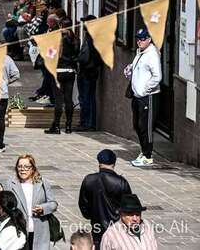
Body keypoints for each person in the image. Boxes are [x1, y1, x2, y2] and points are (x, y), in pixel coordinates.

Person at [78, 149, 133, 247]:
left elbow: (83, 205)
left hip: (97, 228)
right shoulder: (121, 182)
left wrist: (92, 215)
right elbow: (129, 207)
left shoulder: (89, 180)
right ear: (114, 164)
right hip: (118, 229)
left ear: (99, 163)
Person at [4, 154, 58, 249]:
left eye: (26, 167)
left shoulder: (42, 183)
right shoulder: (10, 184)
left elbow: (53, 204)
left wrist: (43, 208)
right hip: (19, 230)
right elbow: (5, 205)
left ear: (32, 168)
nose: (22, 169)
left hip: (39, 230)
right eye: (20, 166)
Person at [125, 28, 161, 167]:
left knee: (145, 126)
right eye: (138, 39)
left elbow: (157, 76)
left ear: (149, 39)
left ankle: (148, 156)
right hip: (137, 95)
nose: (139, 41)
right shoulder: (140, 52)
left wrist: (145, 89)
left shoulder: (152, 54)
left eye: (143, 39)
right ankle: (143, 150)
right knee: (137, 125)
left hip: (147, 96)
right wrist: (130, 69)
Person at [44, 18, 78, 135]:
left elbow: (50, 55)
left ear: (60, 25)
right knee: (69, 99)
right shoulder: (75, 38)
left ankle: (57, 126)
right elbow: (76, 54)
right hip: (70, 71)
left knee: (59, 99)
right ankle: (68, 126)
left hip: (58, 71)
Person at [77, 15, 103, 131]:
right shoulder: (91, 36)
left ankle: (88, 123)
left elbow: (87, 56)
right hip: (88, 70)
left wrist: (78, 60)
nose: (84, 25)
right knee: (86, 97)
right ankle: (87, 122)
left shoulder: (92, 37)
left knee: (87, 98)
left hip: (88, 71)